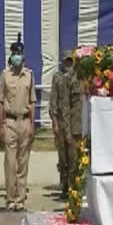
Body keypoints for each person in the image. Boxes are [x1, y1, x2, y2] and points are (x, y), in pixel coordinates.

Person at [0, 36, 36, 211]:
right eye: (14, 53)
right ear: (11, 56)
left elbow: (33, 101)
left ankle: (20, 200)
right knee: (10, 163)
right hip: (10, 122)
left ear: (23, 55)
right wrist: (1, 125)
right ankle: (10, 199)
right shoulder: (5, 75)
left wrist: (32, 125)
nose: (17, 57)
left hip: (25, 121)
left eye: (19, 53)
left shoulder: (29, 76)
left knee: (23, 163)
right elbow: (0, 101)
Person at [49, 51, 74, 199]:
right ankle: (64, 187)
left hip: (73, 123)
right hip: (61, 122)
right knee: (63, 157)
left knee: (73, 157)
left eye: (70, 61)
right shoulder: (57, 78)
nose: (68, 64)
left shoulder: (76, 77)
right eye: (66, 61)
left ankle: (72, 187)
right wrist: (55, 123)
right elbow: (53, 101)